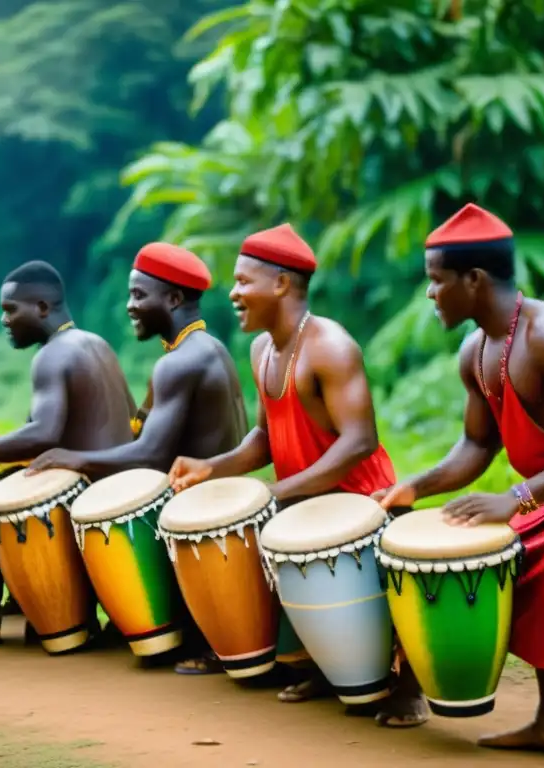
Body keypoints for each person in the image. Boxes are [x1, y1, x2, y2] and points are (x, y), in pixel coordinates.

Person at [374, 204, 544, 768]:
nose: (429, 295)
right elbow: (477, 446)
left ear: (474, 280)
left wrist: (517, 498)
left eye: (436, 281)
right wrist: (414, 487)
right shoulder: (474, 352)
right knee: (520, 585)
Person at [167, 223, 428, 726]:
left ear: (281, 284)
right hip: (306, 503)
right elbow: (264, 438)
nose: (233, 293)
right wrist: (211, 468)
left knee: (396, 594)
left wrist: (278, 491)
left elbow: (360, 441)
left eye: (243, 282)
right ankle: (330, 669)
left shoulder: (331, 346)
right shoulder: (262, 349)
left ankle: (410, 688)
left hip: (363, 503)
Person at [26, 243, 249, 674]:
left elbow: (149, 453)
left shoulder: (179, 363)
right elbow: (142, 424)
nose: (130, 306)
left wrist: (71, 457)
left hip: (200, 507)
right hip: (223, 494)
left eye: (139, 295)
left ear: (173, 299)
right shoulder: (204, 349)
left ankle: (181, 630)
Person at [0, 260, 135, 642]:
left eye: (11, 309)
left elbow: (42, 433)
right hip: (117, 486)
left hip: (85, 493)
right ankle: (26, 603)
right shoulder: (97, 343)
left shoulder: (52, 355)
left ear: (42, 308)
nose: (4, 319)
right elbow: (133, 416)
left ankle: (1, 614)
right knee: (5, 479)